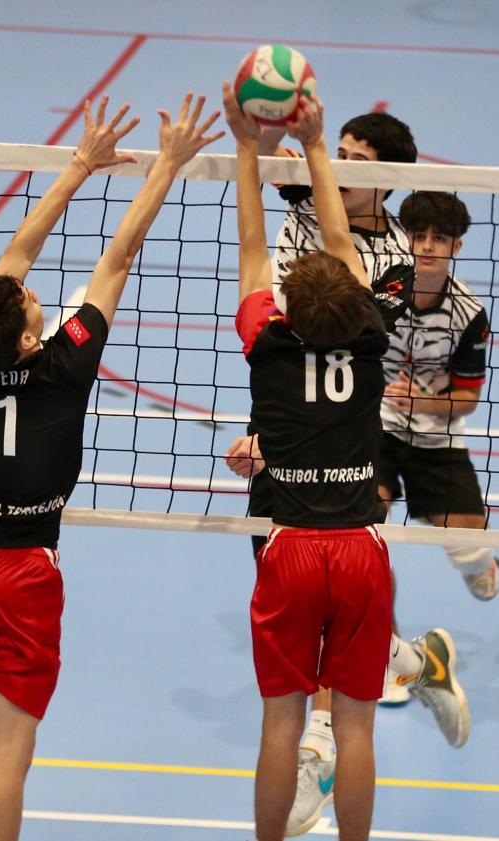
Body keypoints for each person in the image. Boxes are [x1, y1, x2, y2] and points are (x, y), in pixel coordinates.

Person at [0, 93, 223, 841]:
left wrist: (78, 167)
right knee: (8, 758)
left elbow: (9, 264)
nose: (29, 290)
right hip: (25, 571)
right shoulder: (66, 363)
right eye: (26, 301)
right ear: (26, 336)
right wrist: (169, 166)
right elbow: (118, 253)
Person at [223, 83, 468, 841]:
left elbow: (253, 252)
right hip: (352, 532)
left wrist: (243, 142)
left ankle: (306, 765)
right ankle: (410, 666)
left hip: (299, 518)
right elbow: (335, 251)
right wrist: (312, 146)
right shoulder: (368, 328)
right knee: (357, 718)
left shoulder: (266, 335)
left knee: (282, 721)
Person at [380, 192, 496, 597]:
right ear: (405, 238)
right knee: (362, 532)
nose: (427, 245)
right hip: (373, 429)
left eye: (440, 238)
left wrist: (419, 401)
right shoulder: (382, 290)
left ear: (456, 246)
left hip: (435, 434)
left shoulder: (469, 313)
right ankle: (386, 651)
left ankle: (482, 564)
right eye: (419, 235)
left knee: (473, 551)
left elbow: (467, 398)